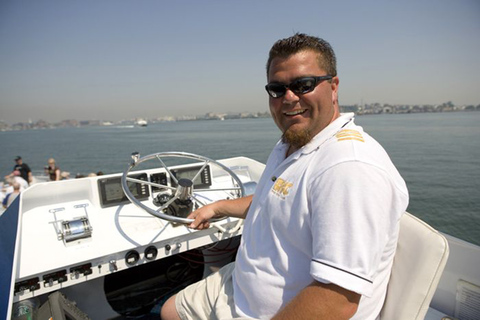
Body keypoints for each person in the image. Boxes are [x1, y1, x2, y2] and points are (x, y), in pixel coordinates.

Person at [161, 33, 408, 320]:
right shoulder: (295, 142)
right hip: (238, 286)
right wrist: (217, 208)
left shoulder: (348, 169)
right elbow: (274, 200)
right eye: (277, 89)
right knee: (171, 311)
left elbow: (337, 300)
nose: (289, 98)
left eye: (304, 85)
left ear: (334, 87)